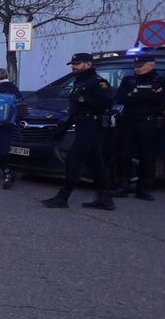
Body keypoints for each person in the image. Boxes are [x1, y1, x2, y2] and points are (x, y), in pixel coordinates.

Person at [42, 52, 116, 210]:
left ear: (88, 64)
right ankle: (106, 198)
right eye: (73, 64)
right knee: (96, 163)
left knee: (73, 160)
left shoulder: (98, 82)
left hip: (93, 126)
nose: (74, 67)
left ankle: (63, 197)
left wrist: (84, 99)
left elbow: (107, 102)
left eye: (77, 64)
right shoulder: (79, 82)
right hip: (83, 124)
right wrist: (65, 127)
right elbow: (76, 109)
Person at [114, 54, 165, 200]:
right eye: (135, 66)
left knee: (147, 156)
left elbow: (163, 101)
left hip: (148, 124)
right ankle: (123, 186)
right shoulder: (128, 80)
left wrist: (134, 96)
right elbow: (120, 98)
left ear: (151, 65)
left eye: (140, 66)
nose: (137, 68)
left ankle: (142, 189)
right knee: (124, 155)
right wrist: (148, 96)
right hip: (128, 122)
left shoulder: (161, 81)